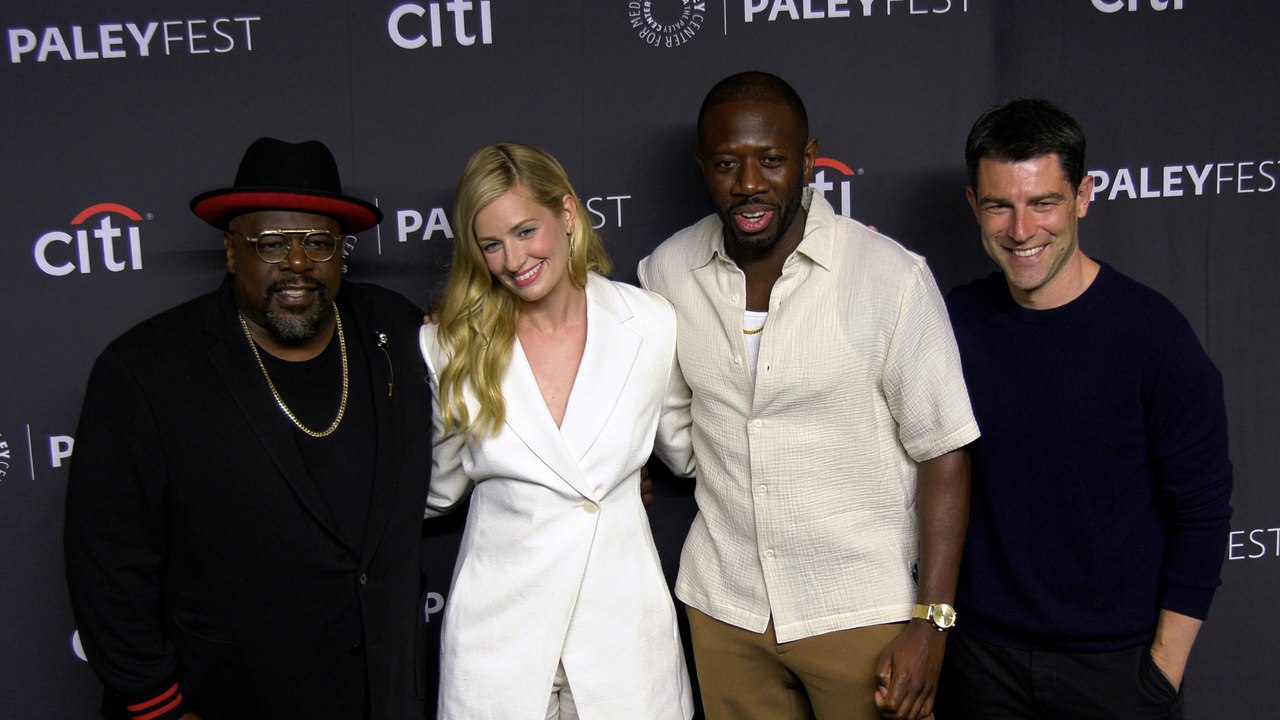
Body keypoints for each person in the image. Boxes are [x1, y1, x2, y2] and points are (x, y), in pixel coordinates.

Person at [638, 71, 980, 720]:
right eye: (726, 163)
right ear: (702, 166)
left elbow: (944, 451)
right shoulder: (667, 272)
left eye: (771, 160)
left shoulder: (889, 277)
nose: (748, 183)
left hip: (858, 609)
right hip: (725, 607)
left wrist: (932, 623)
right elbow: (672, 424)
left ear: (808, 159)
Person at [64, 138, 433, 720]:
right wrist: (157, 707)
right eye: (271, 243)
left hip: (381, 693)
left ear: (341, 253)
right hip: (230, 696)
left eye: (318, 242)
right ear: (232, 251)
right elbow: (107, 562)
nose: (297, 262)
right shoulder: (146, 369)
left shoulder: (393, 328)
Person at [935, 98, 1234, 720]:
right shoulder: (951, 323)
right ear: (973, 204)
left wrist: (1162, 672)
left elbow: (1201, 513)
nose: (1021, 230)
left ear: (1084, 196)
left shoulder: (1154, 336)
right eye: (999, 205)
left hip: (1117, 672)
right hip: (980, 664)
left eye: (1043, 203)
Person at [420, 143, 696, 720]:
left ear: (567, 214)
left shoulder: (651, 323)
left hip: (624, 641)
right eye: (491, 244)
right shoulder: (449, 345)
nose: (513, 259)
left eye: (526, 231)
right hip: (498, 641)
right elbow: (435, 491)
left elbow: (689, 453)